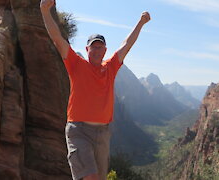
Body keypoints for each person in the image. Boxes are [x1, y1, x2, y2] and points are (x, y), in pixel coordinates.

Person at [40, 0, 150, 179]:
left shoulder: (111, 67)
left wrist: (141, 22)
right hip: (79, 130)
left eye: (100, 47)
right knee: (90, 177)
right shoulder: (76, 64)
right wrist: (45, 11)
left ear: (105, 50)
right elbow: (57, 39)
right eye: (93, 47)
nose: (97, 50)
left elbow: (126, 44)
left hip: (103, 133)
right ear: (87, 49)